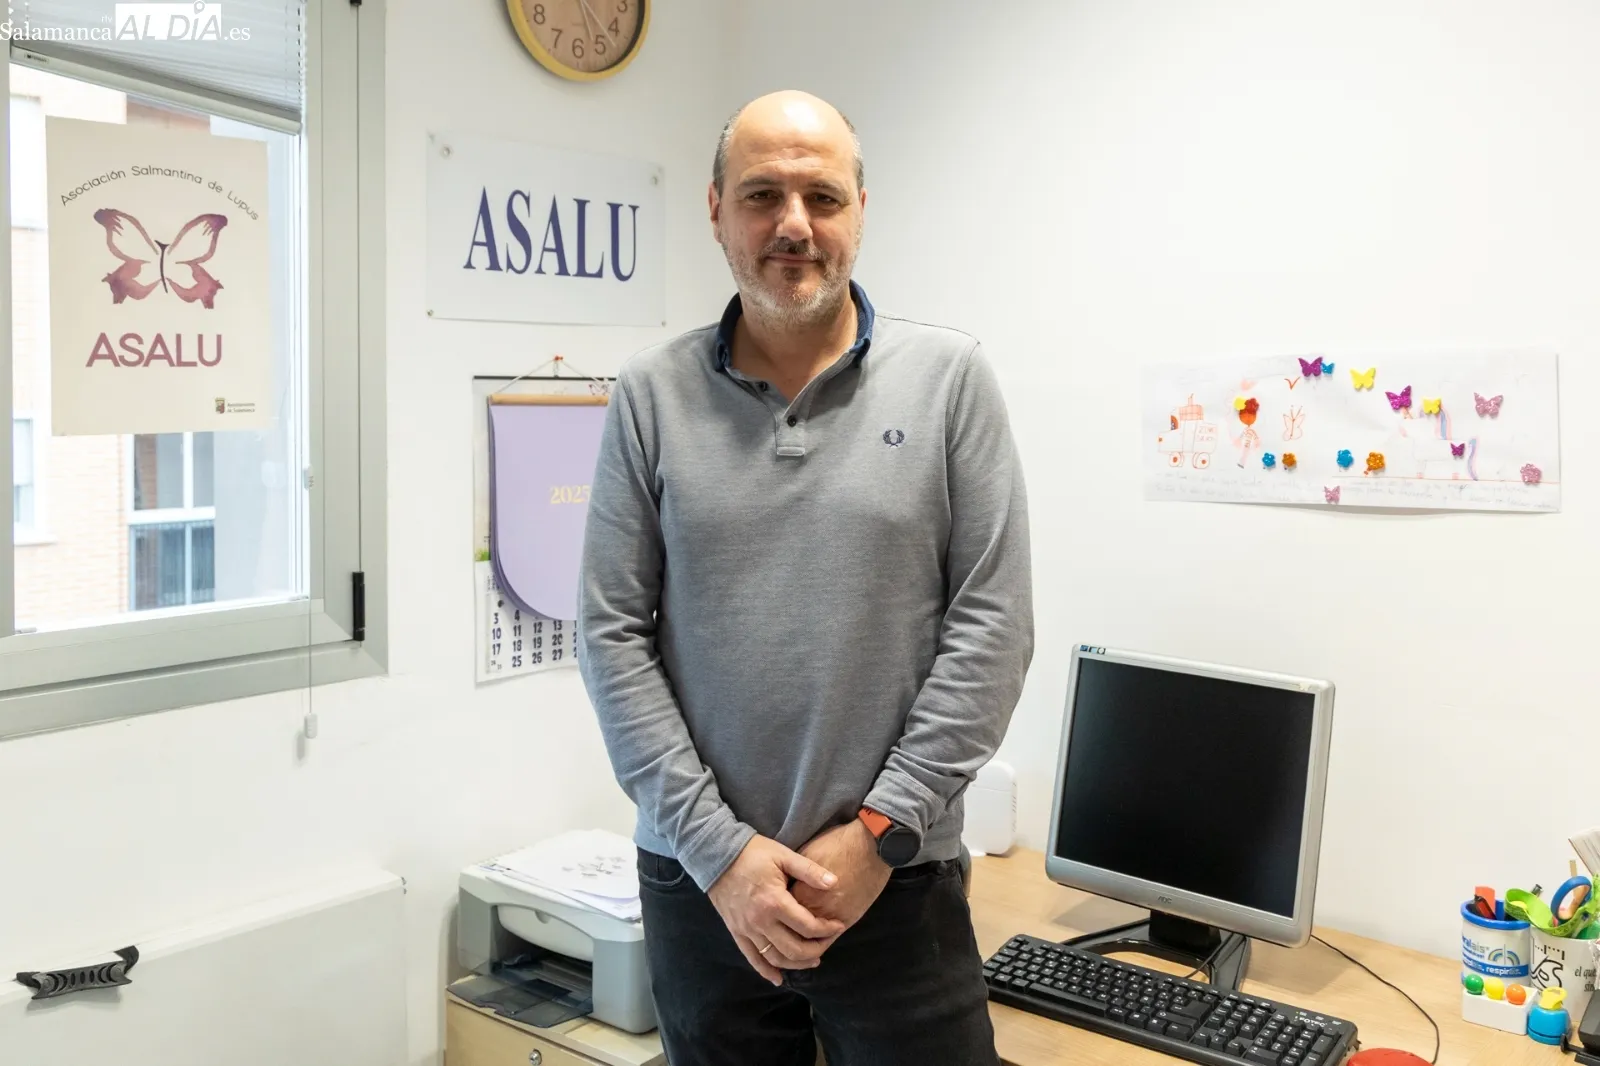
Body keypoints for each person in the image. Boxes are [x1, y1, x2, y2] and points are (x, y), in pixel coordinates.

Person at [578, 89, 1034, 1066]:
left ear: (860, 211)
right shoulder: (650, 395)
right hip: (701, 883)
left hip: (896, 876)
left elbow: (992, 629)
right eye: (762, 195)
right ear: (716, 210)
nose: (794, 224)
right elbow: (610, 636)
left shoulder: (950, 381)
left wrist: (878, 833)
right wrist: (721, 853)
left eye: (822, 197)